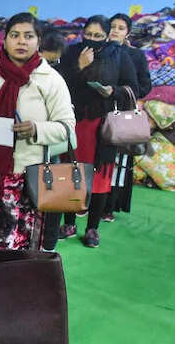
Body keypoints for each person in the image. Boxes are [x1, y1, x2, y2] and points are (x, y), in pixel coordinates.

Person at [0, 12, 75, 251]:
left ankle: (12, 286)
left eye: (28, 36)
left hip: (24, 176)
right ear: (5, 40)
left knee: (15, 243)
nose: (21, 41)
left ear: (38, 41)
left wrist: (36, 129)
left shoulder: (50, 80)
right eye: (15, 35)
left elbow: (66, 127)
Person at [57, 15, 140, 248]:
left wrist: (112, 91)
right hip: (74, 121)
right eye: (88, 35)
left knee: (100, 177)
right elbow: (60, 83)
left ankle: (92, 228)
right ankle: (69, 223)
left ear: (107, 36)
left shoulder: (118, 55)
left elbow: (133, 88)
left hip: (102, 126)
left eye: (98, 36)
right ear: (82, 34)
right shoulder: (72, 52)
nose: (92, 40)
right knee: (69, 172)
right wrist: (80, 67)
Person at [104, 13, 152, 222]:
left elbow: (144, 86)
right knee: (97, 160)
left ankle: (109, 206)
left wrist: (120, 91)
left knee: (119, 163)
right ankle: (87, 201)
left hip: (122, 115)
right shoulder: (97, 52)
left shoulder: (135, 56)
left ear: (127, 33)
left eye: (120, 28)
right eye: (112, 26)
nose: (115, 31)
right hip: (99, 113)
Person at [38, 30, 70, 252]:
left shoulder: (60, 75)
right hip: (26, 146)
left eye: (54, 60)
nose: (50, 64)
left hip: (52, 144)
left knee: (53, 191)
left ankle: (48, 245)